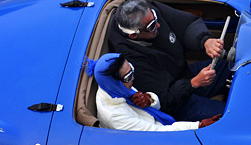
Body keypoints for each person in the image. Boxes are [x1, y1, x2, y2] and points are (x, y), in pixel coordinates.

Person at [108, 0, 227, 122]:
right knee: (231, 115)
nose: (158, 25)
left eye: (154, 17)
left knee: (233, 65)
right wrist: (193, 83)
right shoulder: (128, 59)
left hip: (186, 74)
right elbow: (163, 100)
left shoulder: (148, 11)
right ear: (133, 35)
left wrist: (205, 41)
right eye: (152, 26)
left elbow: (186, 24)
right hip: (177, 103)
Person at [89, 53, 218, 131]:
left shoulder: (117, 89)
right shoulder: (115, 116)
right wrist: (198, 126)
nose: (133, 77)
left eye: (131, 69)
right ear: (115, 83)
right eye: (128, 76)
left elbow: (154, 109)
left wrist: (150, 99)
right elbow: (157, 133)